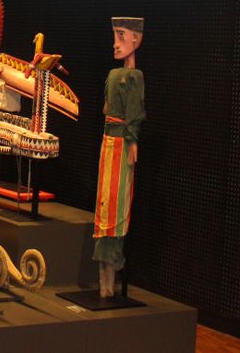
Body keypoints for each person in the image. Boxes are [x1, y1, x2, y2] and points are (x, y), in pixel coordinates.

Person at [93, 17, 145, 298]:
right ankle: (103, 279)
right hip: (107, 143)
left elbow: (134, 111)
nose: (116, 42)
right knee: (104, 203)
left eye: (121, 35)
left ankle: (110, 279)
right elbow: (106, 109)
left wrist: (132, 140)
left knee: (116, 205)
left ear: (135, 40)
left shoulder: (134, 77)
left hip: (121, 146)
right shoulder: (114, 75)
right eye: (114, 35)